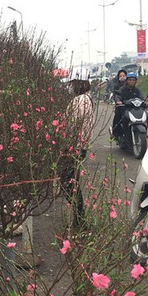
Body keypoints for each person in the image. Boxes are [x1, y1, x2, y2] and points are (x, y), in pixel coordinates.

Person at [62, 79, 94, 227]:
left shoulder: (80, 101)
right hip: (78, 145)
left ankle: (80, 218)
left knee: (68, 182)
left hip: (73, 145)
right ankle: (79, 218)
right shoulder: (85, 99)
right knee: (71, 181)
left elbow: (73, 123)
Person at [111, 72, 145, 137]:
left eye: (133, 80)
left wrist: (145, 102)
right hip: (124, 109)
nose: (131, 81)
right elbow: (118, 96)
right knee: (118, 115)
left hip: (135, 109)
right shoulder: (122, 89)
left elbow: (141, 97)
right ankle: (115, 132)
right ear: (127, 81)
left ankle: (143, 130)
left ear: (136, 81)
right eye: (130, 80)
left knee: (146, 114)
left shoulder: (137, 90)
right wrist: (118, 101)